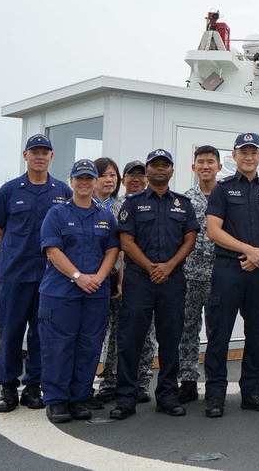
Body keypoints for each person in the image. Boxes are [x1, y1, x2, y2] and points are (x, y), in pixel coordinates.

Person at [0, 134, 73, 413]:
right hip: (15, 274)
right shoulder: (9, 190)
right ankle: (8, 387)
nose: (39, 156)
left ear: (51, 157)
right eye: (34, 152)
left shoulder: (62, 191)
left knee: (41, 333)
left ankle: (33, 385)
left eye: (44, 152)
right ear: (25, 155)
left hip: (49, 276)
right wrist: (15, 248)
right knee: (11, 333)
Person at [109, 149, 198, 420]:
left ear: (172, 171)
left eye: (165, 165)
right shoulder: (133, 203)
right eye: (154, 165)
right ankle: (126, 397)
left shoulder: (183, 203)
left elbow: (190, 239)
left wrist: (168, 267)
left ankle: (168, 396)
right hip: (139, 279)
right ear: (147, 171)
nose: (160, 169)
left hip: (172, 279)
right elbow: (126, 242)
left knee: (171, 338)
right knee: (130, 339)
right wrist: (151, 268)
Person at [203, 132, 259, 418]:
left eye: (253, 152)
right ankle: (215, 396)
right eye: (243, 152)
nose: (248, 157)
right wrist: (249, 250)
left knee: (258, 334)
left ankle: (251, 393)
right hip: (228, 269)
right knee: (220, 333)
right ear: (233, 157)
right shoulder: (222, 189)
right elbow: (213, 230)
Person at [37, 159, 120, 423]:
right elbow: (52, 250)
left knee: (89, 345)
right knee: (58, 346)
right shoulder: (57, 214)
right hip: (61, 293)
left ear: (95, 182)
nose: (84, 183)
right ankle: (57, 400)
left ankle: (80, 396)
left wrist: (98, 277)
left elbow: (112, 250)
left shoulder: (106, 217)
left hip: (95, 292)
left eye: (89, 179)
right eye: (79, 178)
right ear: (71, 181)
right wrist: (78, 277)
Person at [96, 159, 157, 404]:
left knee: (146, 333)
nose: (137, 179)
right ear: (125, 180)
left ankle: (142, 382)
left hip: (147, 278)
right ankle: (110, 381)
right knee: (113, 335)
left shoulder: (156, 204)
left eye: (142, 176)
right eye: (132, 175)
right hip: (114, 278)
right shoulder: (117, 206)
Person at [178, 146, 222, 404]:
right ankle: (188, 379)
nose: (206, 166)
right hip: (190, 274)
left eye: (210, 162)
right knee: (188, 329)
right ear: (193, 168)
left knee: (217, 330)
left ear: (218, 167)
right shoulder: (184, 201)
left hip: (219, 275)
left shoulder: (226, 196)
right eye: (201, 162)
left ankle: (215, 380)